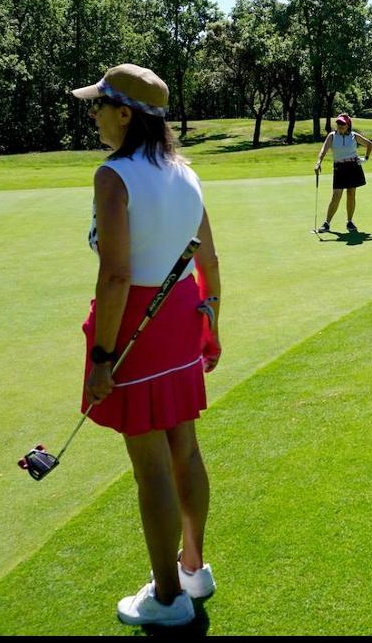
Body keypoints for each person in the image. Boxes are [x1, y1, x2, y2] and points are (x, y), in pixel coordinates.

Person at [71, 64, 222, 627]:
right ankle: (193, 568)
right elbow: (207, 260)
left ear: (125, 114)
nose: (94, 115)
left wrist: (101, 359)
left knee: (152, 468)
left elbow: (114, 276)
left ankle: (166, 597)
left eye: (100, 105)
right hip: (182, 313)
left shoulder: (113, 176)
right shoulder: (185, 171)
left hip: (138, 320)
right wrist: (212, 323)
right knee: (184, 447)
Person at [313, 113, 372, 232]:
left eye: (343, 124)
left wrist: (365, 158)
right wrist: (318, 162)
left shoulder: (353, 136)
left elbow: (369, 144)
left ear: (348, 125)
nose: (340, 125)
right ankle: (327, 223)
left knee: (351, 194)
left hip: (353, 167)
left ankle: (349, 222)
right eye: (338, 123)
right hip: (339, 167)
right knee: (336, 195)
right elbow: (323, 150)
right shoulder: (332, 136)